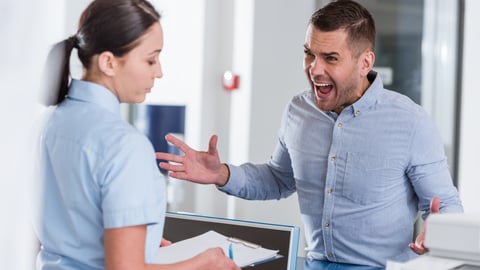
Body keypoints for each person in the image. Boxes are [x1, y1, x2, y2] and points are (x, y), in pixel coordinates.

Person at [156, 0, 464, 268]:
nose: (313, 69)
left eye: (330, 58)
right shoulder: (298, 111)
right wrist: (222, 174)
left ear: (364, 62)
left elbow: (444, 203)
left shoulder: (410, 121)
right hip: (313, 264)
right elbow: (278, 179)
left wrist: (436, 233)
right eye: (309, 54)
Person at [33, 0, 239, 269]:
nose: (159, 71)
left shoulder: (46, 123)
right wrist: (205, 263)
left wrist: (140, 241)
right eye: (151, 59)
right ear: (108, 62)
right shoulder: (124, 145)